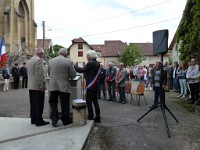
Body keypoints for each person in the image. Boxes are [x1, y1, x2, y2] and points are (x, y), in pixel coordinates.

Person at [48, 48, 76, 127]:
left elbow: (49, 73)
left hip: (53, 84)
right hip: (64, 85)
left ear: (59, 53)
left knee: (53, 102)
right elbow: (73, 76)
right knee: (64, 103)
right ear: (65, 54)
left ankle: (54, 118)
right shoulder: (69, 61)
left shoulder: (51, 61)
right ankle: (65, 120)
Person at [75, 50, 101, 123]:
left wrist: (74, 65)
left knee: (88, 101)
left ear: (90, 56)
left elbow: (81, 70)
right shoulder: (97, 63)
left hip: (91, 85)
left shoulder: (91, 63)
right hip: (95, 85)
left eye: (87, 56)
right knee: (95, 102)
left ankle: (91, 116)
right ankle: (98, 117)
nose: (86, 57)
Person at [27, 48, 49, 126]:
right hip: (37, 86)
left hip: (31, 85)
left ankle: (33, 119)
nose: (43, 55)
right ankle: (39, 120)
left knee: (33, 104)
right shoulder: (38, 61)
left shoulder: (30, 60)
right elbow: (39, 75)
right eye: (43, 54)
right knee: (39, 104)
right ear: (40, 54)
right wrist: (41, 85)